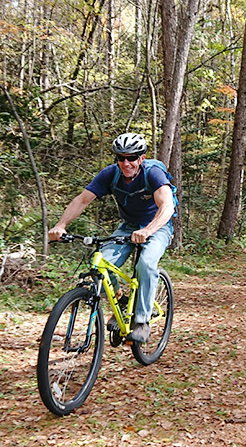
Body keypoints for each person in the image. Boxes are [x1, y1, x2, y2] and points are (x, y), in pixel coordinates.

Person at [48, 133, 176, 343]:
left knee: (146, 263)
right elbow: (82, 200)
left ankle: (142, 321)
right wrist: (61, 225)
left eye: (131, 158)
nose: (126, 163)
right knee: (101, 264)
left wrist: (148, 231)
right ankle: (121, 300)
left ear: (141, 158)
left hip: (157, 226)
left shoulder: (153, 174)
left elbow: (167, 206)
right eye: (121, 158)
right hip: (128, 226)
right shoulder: (110, 174)